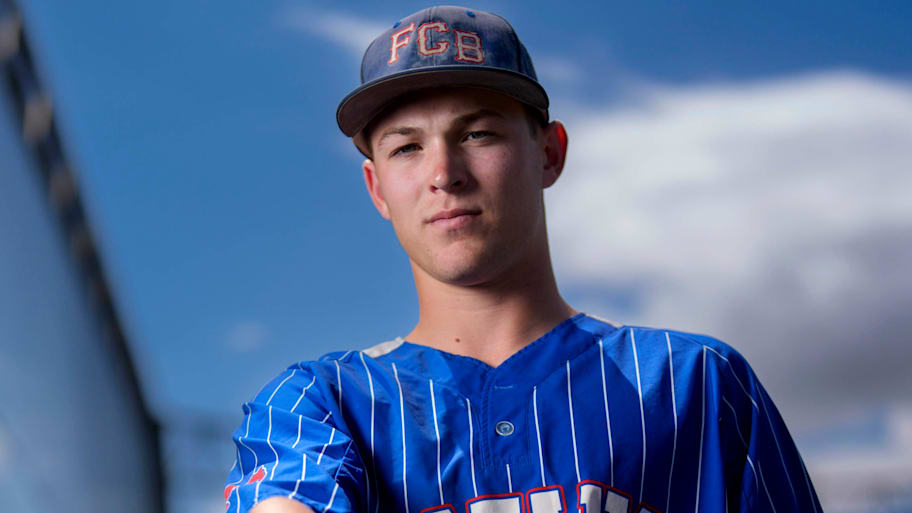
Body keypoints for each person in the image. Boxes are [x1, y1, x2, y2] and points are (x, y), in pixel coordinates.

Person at [224, 6, 821, 513]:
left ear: (549, 154)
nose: (443, 174)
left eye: (478, 134)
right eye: (406, 147)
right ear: (377, 189)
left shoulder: (696, 381)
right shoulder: (321, 401)